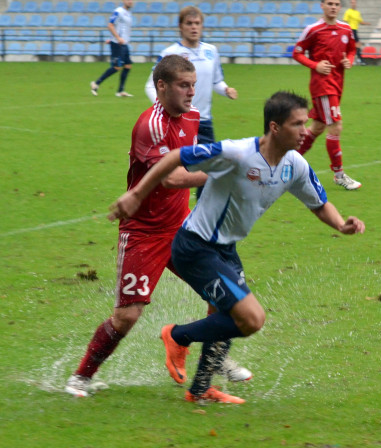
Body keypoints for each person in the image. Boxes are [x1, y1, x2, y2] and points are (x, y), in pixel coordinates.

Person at [107, 91, 366, 404]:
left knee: (226, 318)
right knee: (250, 319)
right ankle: (176, 336)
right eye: (298, 124)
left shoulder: (294, 165)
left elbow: (319, 203)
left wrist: (341, 224)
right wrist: (136, 195)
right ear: (275, 127)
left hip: (226, 249)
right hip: (195, 246)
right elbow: (175, 158)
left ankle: (200, 391)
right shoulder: (237, 153)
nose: (305, 130)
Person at [65, 55, 247, 397]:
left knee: (224, 296)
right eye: (183, 85)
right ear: (161, 86)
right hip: (143, 232)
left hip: (182, 229)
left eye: (194, 85)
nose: (191, 92)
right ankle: (81, 377)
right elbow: (171, 177)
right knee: (126, 317)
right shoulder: (151, 124)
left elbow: (196, 156)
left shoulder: (192, 116)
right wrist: (220, 174)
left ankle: (209, 370)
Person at [145, 6, 238, 199]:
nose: (194, 27)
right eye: (189, 23)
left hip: (203, 122)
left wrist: (226, 89)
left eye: (197, 23)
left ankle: (201, 213)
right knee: (176, 172)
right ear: (180, 26)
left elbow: (216, 81)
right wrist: (165, 109)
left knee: (210, 169)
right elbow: (150, 85)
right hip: (178, 123)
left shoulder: (211, 51)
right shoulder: (170, 53)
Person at [293, 0, 361, 191]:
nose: (333, 7)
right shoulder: (313, 29)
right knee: (335, 126)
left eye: (337, 4)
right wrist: (316, 65)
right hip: (322, 86)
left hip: (338, 84)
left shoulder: (346, 29)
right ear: (322, 5)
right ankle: (339, 175)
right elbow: (297, 53)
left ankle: (286, 161)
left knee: (317, 126)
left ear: (340, 7)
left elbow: (352, 49)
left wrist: (349, 60)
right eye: (329, 3)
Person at [90, 0, 134, 97]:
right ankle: (96, 84)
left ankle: (120, 91)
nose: (130, 1)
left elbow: (120, 27)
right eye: (128, 0)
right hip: (118, 44)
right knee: (116, 67)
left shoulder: (128, 13)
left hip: (124, 44)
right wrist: (117, 38)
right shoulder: (118, 11)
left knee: (127, 65)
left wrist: (111, 38)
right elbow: (110, 25)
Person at [343, 0, 370, 65]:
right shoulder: (348, 12)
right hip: (350, 30)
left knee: (356, 46)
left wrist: (368, 23)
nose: (353, 4)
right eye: (352, 3)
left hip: (355, 30)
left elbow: (361, 22)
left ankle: (358, 59)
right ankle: (359, 60)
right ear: (350, 4)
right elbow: (345, 21)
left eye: (354, 2)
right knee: (354, 45)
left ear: (356, 3)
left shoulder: (357, 12)